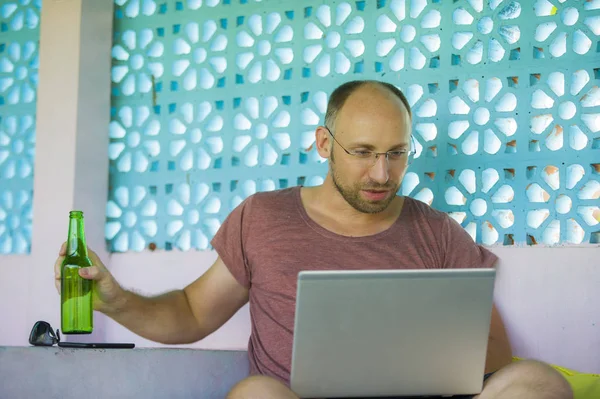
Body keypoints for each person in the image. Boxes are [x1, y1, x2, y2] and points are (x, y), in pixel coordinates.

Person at [54, 80, 573, 399]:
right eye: (363, 151)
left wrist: (399, 358)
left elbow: (496, 350)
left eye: (397, 153)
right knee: (254, 393)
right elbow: (191, 312)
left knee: (543, 383)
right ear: (324, 143)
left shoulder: (437, 231)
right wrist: (117, 301)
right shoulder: (261, 218)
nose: (381, 173)